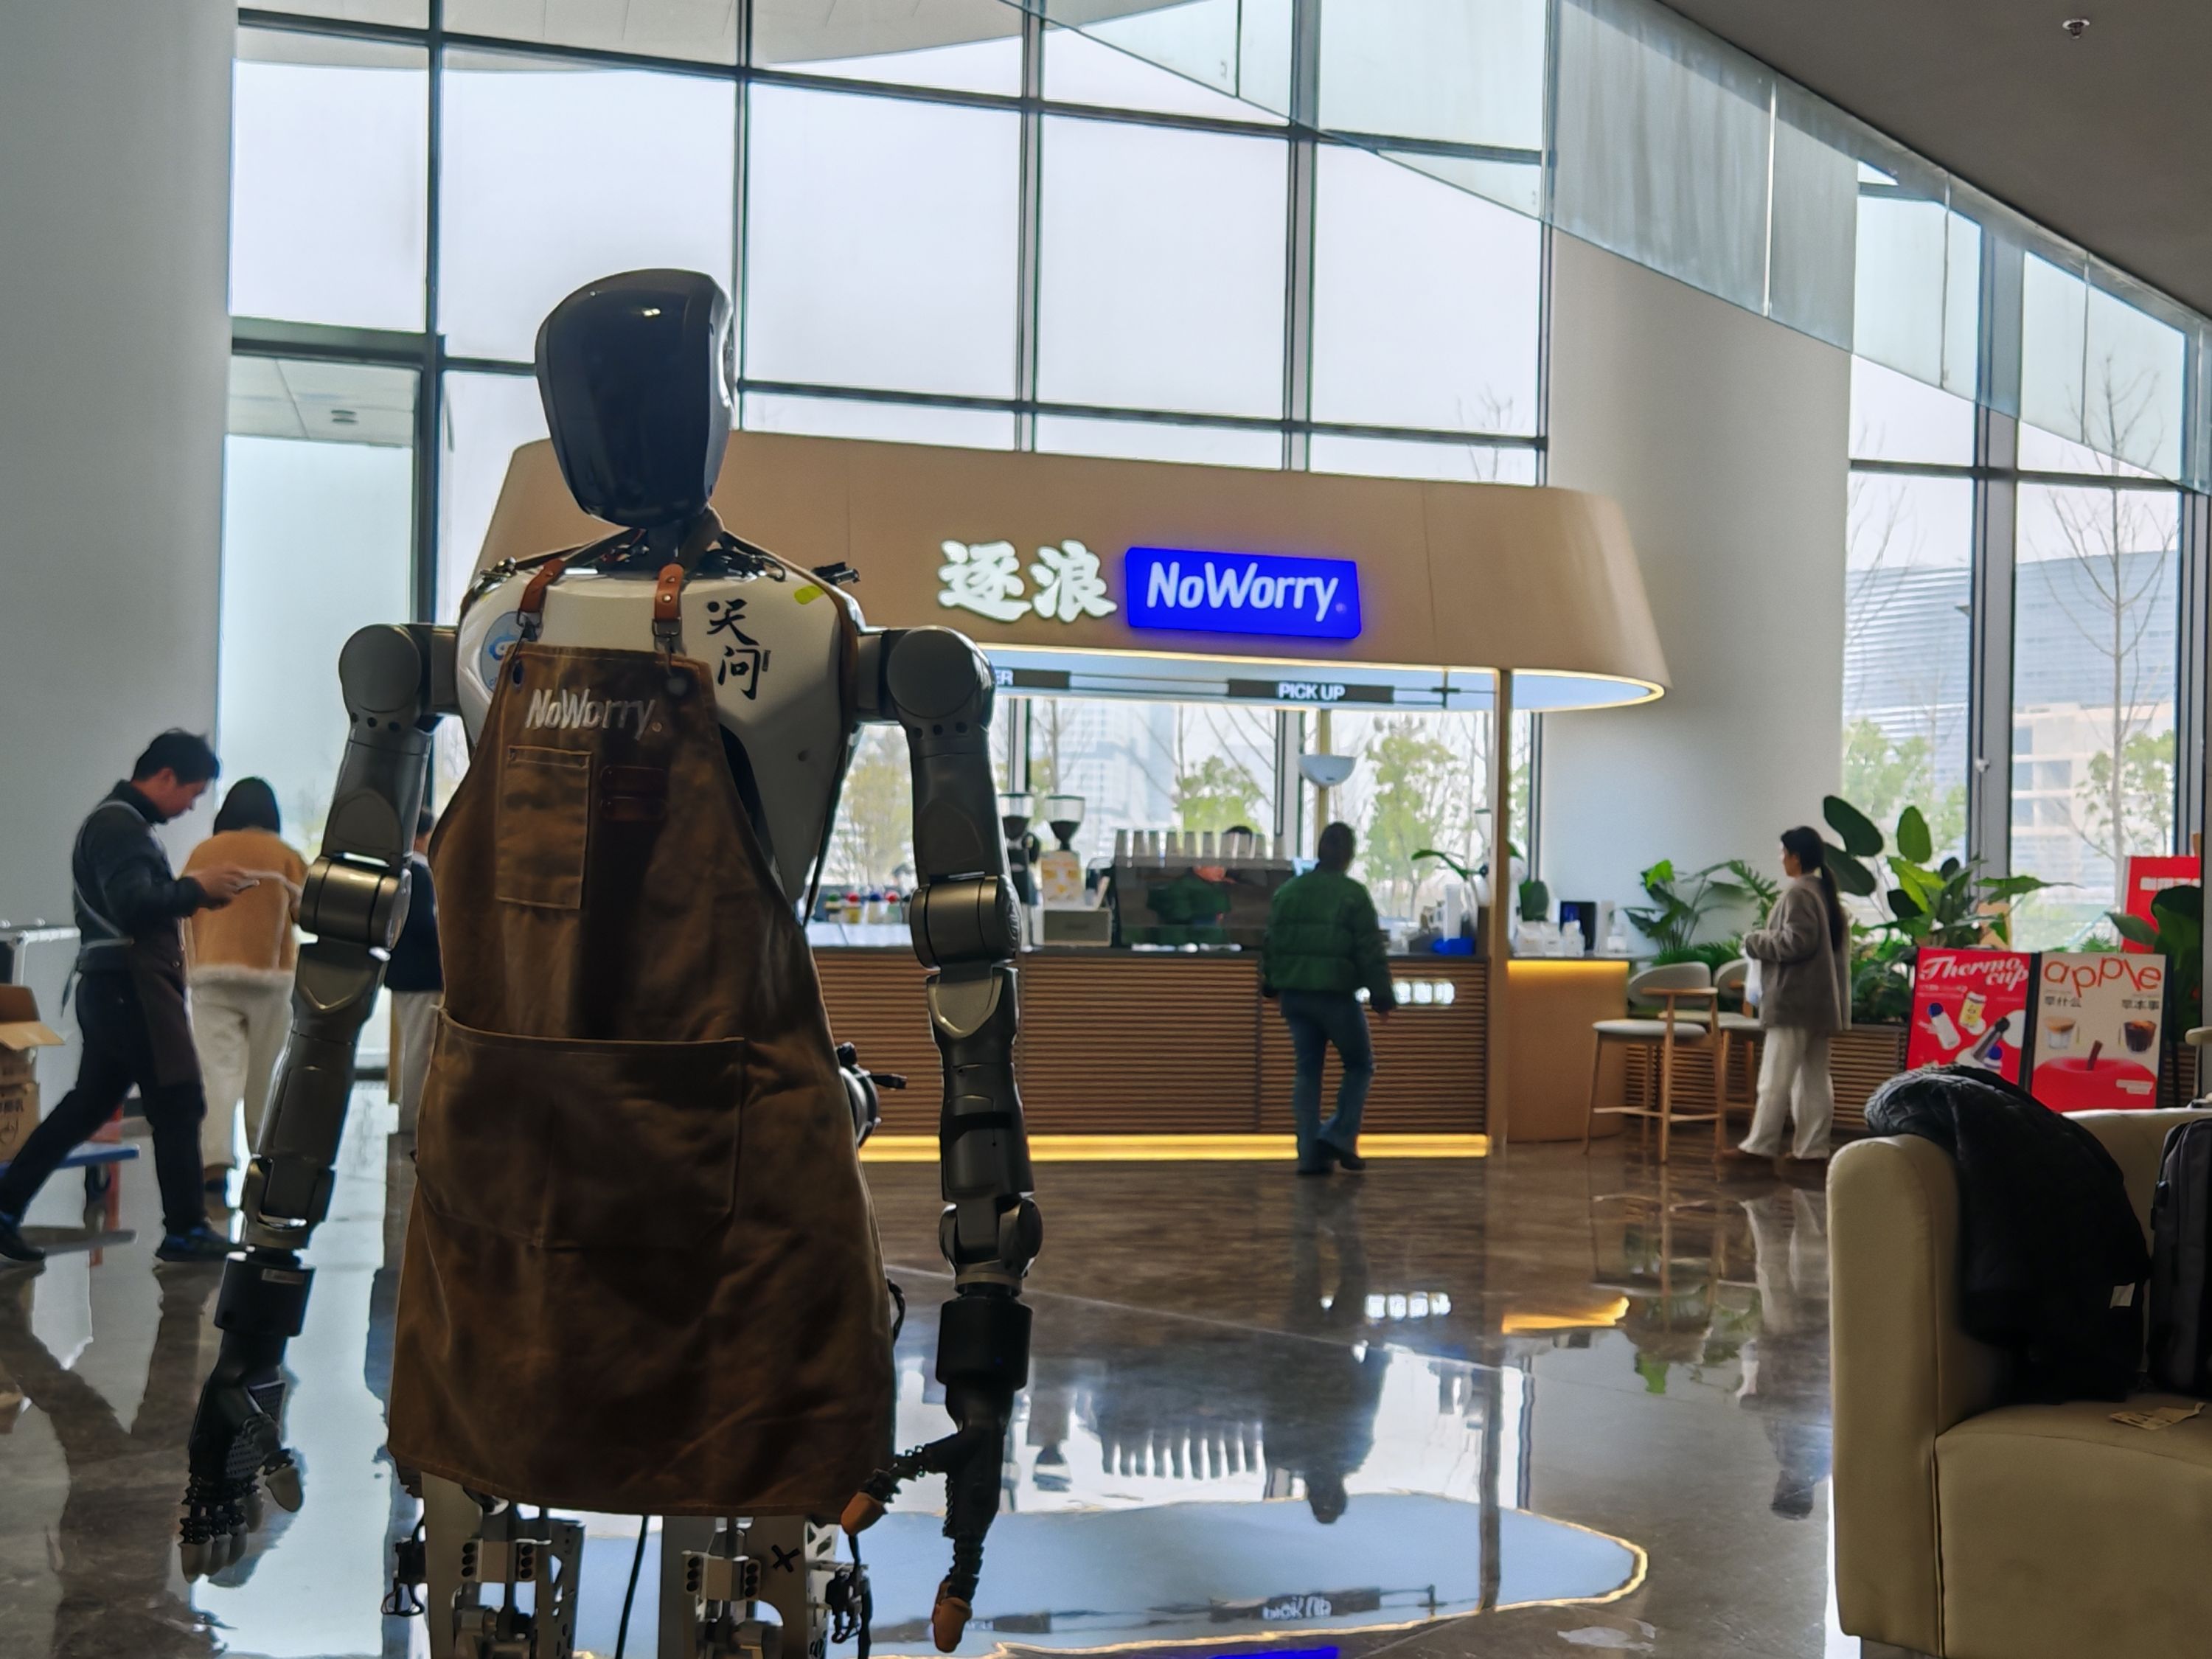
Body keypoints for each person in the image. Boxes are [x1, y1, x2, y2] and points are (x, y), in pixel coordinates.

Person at [0, 731, 259, 1264]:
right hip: (131, 988)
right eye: (191, 792)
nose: (190, 806)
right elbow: (134, 904)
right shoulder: (120, 827)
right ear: (164, 776)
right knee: (179, 1099)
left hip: (110, 986)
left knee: (88, 1106)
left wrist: (194, 890)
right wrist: (198, 888)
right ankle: (186, 1231)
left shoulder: (116, 822)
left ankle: (4, 1207)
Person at [182, 777, 306, 1189]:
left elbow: (183, 906)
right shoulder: (285, 856)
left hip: (211, 976)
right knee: (266, 1074)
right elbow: (306, 912)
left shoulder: (204, 853)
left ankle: (214, 1164)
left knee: (216, 1072)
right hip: (270, 979)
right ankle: (265, 1158)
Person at [1262, 820, 1395, 1176]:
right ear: (1349, 855)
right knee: (1360, 1064)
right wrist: (1382, 997)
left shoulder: (1288, 892)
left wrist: (1270, 985)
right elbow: (1369, 950)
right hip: (1335, 995)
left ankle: (1310, 1155)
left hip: (1295, 996)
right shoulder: (1353, 894)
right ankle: (1337, 1136)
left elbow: (1271, 943)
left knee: (1308, 1072)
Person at [1736, 824, 1851, 1165]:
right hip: (1819, 1004)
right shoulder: (1824, 894)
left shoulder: (1799, 893)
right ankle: (1812, 1152)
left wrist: (1754, 941)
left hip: (1793, 1001)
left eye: (1783, 852)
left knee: (1775, 1079)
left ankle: (1759, 1149)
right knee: (1813, 1080)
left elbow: (1796, 942)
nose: (1781, 858)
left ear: (1796, 857)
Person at [385, 808, 442, 1134]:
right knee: (420, 1048)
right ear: (422, 837)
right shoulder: (420, 874)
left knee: (412, 1044)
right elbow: (423, 925)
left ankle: (410, 1116)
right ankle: (414, 1120)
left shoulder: (400, 871)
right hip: (422, 974)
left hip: (403, 972)